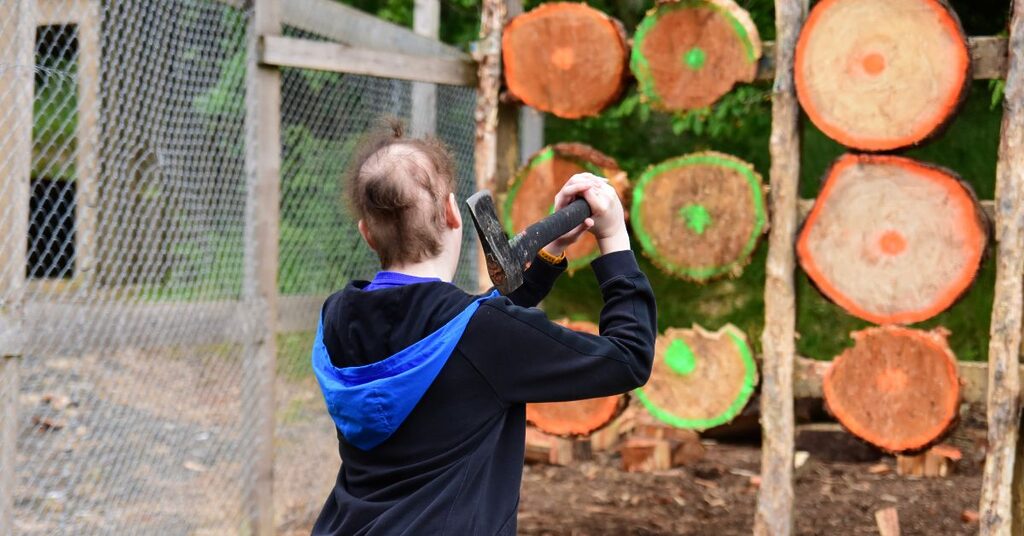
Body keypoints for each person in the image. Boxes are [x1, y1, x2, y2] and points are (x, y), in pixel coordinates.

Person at [310, 121, 657, 535]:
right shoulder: (482, 335)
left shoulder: (337, 321)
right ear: (452, 213)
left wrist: (551, 253)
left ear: (367, 234)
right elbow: (629, 358)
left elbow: (468, 333)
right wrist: (615, 237)